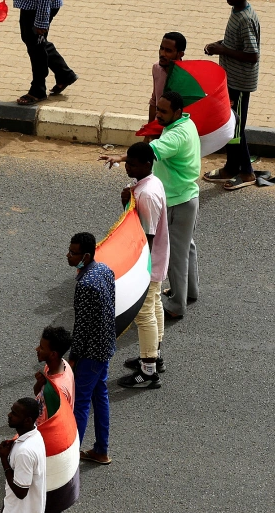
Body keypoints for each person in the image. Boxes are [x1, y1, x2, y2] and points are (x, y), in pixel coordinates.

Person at [101, 91, 200, 320]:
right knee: (186, 248)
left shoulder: (176, 136)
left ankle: (176, 305)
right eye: (158, 110)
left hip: (178, 200)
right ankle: (189, 291)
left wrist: (120, 158)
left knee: (176, 255)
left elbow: (150, 152)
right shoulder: (186, 123)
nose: (158, 115)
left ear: (177, 112)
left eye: (163, 111)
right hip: (186, 195)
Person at [117, 142, 169, 388]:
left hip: (147, 261)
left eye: (133, 165)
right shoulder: (150, 183)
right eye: (127, 163)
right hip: (157, 257)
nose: (128, 168)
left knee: (144, 313)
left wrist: (137, 269)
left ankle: (148, 372)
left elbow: (145, 235)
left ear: (147, 164)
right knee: (155, 304)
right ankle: (154, 357)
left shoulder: (146, 194)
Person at [203, 0, 261, 191]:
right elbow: (235, 43)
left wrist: (223, 50)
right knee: (230, 124)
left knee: (236, 128)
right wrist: (219, 45)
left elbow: (252, 55)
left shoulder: (245, 19)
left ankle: (246, 172)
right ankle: (230, 167)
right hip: (231, 80)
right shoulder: (237, 11)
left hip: (240, 82)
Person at [66, 232, 115, 465]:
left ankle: (70, 458)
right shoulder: (105, 270)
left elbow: (82, 326)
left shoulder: (85, 285)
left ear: (85, 256)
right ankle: (101, 450)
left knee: (81, 403)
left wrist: (73, 357)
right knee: (100, 396)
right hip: (105, 346)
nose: (68, 255)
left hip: (90, 353)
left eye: (73, 252)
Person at [0, 398, 46, 513]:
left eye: (14, 414)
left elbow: (20, 492)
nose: (9, 415)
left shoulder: (24, 452)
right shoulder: (36, 435)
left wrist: (4, 459)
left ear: (27, 420)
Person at [34, 326, 75, 422]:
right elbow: (39, 395)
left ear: (53, 354)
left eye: (42, 348)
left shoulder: (57, 389)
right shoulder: (61, 364)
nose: (37, 349)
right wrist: (39, 383)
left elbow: (55, 421)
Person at [145, 32, 186, 125]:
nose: (162, 54)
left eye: (168, 51)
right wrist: (149, 128)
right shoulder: (156, 68)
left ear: (180, 54)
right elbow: (154, 100)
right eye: (161, 48)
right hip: (158, 126)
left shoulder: (185, 77)